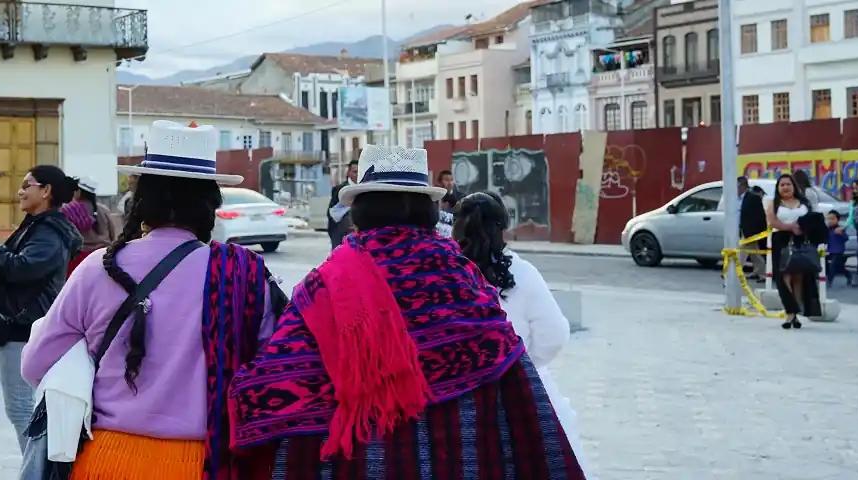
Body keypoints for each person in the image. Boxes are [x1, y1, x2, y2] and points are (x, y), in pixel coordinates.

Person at [228, 145, 585, 478]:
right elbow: (509, 368)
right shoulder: (460, 275)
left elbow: (276, 381)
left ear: (360, 210)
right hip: (460, 453)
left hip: (362, 460)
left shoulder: (326, 282)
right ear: (428, 209)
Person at [20, 120, 281, 479]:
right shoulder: (245, 276)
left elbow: (35, 365)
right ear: (210, 204)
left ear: (142, 201)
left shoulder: (98, 269)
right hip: (206, 462)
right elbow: (270, 369)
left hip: (106, 458)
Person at [452, 190, 588, 471]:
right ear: (503, 226)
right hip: (519, 392)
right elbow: (554, 334)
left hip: (457, 399)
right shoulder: (521, 272)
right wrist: (523, 361)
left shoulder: (444, 271)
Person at [0, 164, 83, 455]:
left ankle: (36, 472)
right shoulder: (36, 225)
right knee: (23, 409)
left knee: (21, 410)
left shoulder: (49, 232)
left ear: (46, 192)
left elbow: (21, 268)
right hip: (21, 326)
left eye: (26, 185)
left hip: (22, 328)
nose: (19, 191)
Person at [766, 173, 822, 329]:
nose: (785, 187)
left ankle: (796, 313)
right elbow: (772, 222)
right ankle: (789, 312)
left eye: (788, 184)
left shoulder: (804, 202)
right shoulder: (773, 203)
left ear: (794, 186)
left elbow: (812, 219)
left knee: (799, 277)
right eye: (782, 185)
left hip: (800, 241)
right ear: (778, 188)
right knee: (785, 276)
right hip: (782, 241)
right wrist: (789, 227)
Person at [62, 177, 116, 274]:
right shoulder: (104, 210)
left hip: (79, 259)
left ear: (78, 191)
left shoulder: (69, 210)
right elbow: (112, 234)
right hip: (104, 256)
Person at [737, 176, 768, 280]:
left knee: (741, 251)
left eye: (737, 186)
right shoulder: (737, 198)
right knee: (755, 254)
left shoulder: (753, 198)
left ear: (743, 186)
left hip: (751, 232)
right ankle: (762, 273)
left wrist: (758, 232)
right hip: (743, 229)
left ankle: (734, 272)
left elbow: (760, 216)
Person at [327, 160, 358, 248]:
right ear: (348, 172)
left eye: (360, 172)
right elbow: (331, 214)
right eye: (355, 172)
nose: (357, 175)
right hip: (341, 235)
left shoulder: (367, 189)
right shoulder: (339, 190)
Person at [824, 211, 852, 287]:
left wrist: (841, 234)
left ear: (837, 220)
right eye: (828, 219)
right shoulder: (827, 229)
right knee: (839, 267)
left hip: (838, 251)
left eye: (832, 219)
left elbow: (846, 238)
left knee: (833, 266)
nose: (830, 221)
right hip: (829, 251)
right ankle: (848, 275)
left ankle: (829, 281)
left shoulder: (840, 229)